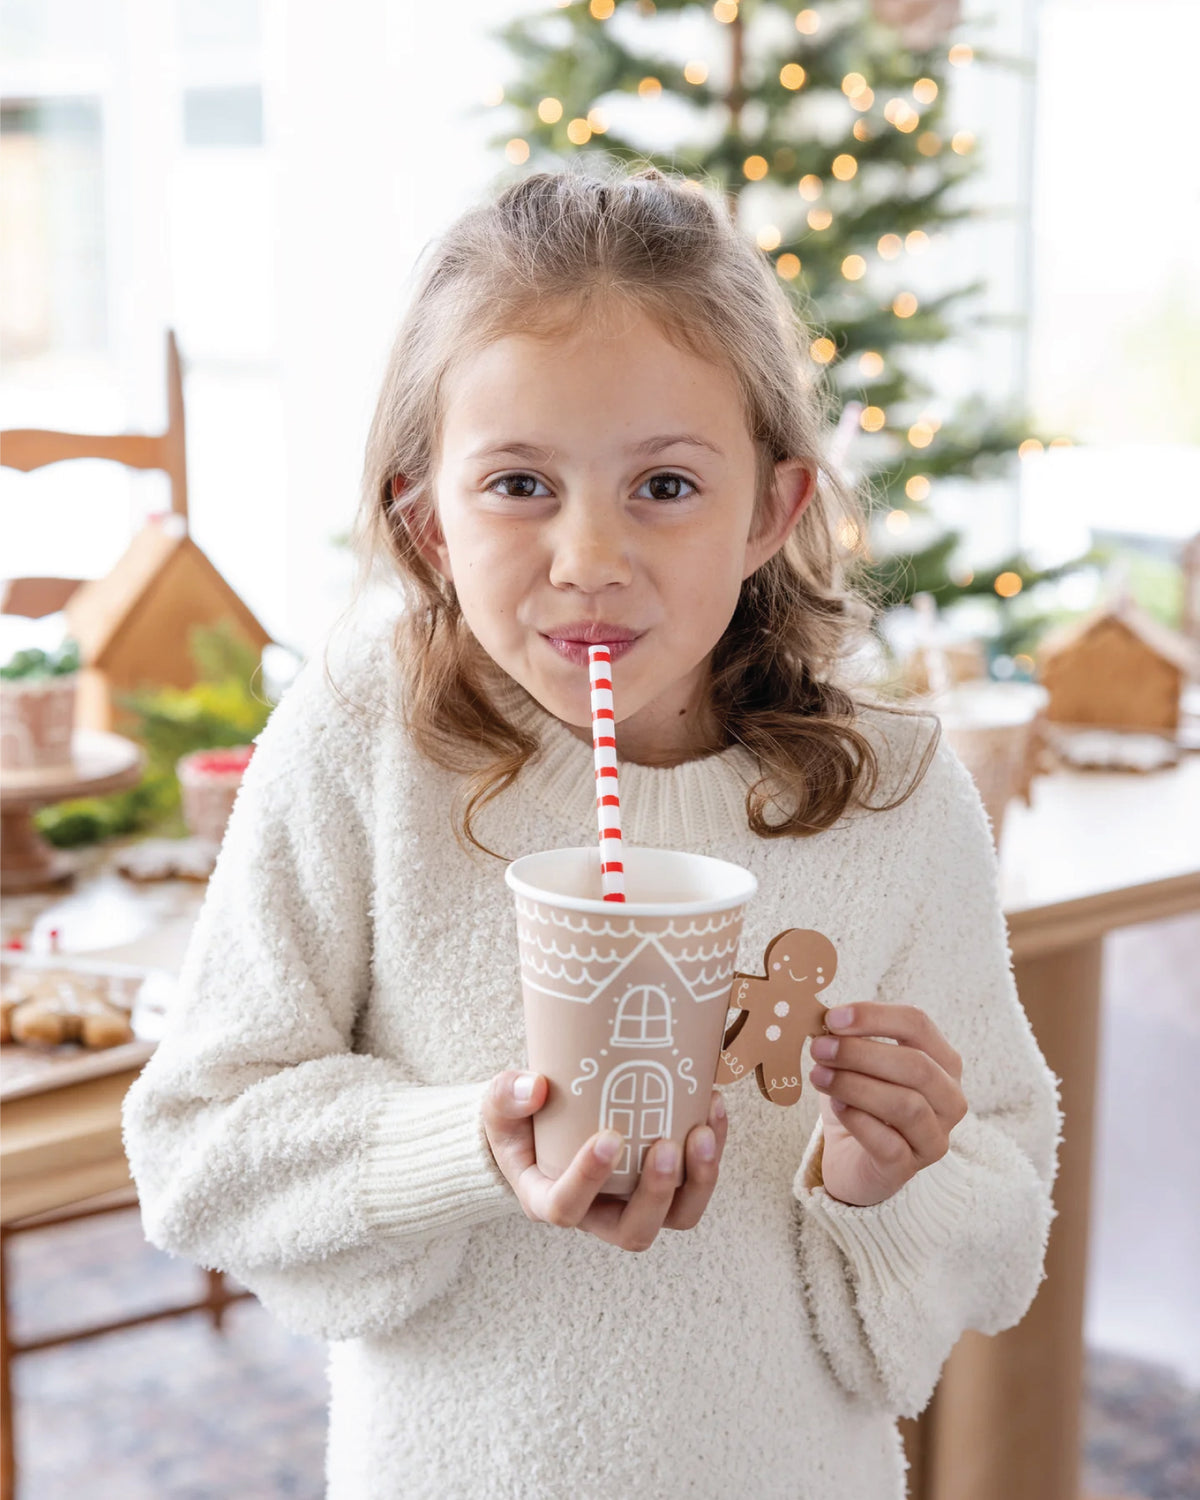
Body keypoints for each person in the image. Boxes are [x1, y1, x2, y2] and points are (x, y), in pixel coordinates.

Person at [122, 163, 1062, 1499]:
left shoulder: (897, 797)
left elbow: (1002, 1225)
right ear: (425, 517)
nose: (589, 558)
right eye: (517, 484)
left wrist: (880, 1177)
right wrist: (473, 1150)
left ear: (771, 512)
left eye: (666, 487)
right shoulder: (364, 739)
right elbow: (202, 1144)